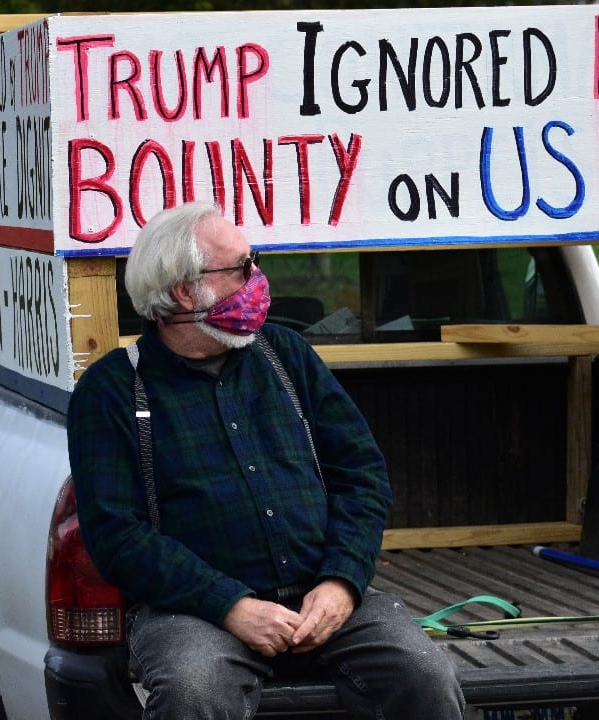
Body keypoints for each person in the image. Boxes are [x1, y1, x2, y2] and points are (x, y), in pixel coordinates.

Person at [66, 201, 465, 720]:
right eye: (242, 267)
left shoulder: (286, 355)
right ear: (185, 291)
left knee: (425, 675)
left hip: (323, 597)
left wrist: (342, 582)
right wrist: (230, 605)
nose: (259, 279)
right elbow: (118, 536)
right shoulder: (112, 391)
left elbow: (362, 475)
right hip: (194, 614)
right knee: (193, 691)